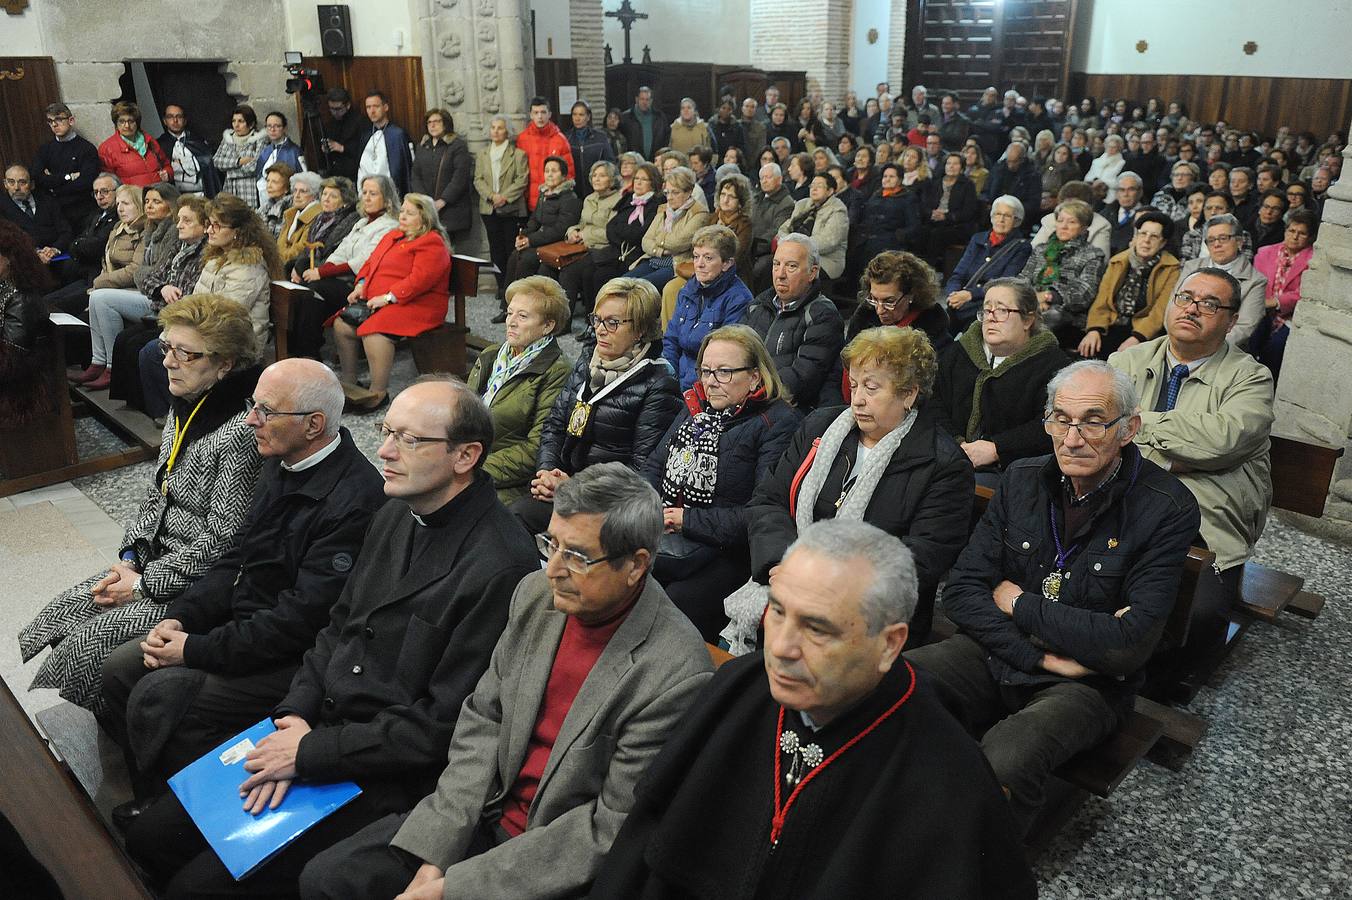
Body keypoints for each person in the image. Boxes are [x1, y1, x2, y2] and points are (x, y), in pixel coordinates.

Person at [123, 377, 540, 899]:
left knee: (193, 887)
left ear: (466, 455)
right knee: (148, 837)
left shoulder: (503, 565)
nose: (383, 450)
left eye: (408, 440)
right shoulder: (395, 512)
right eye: (387, 431)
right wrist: (296, 714)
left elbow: (442, 725)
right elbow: (336, 627)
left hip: (381, 768)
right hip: (316, 724)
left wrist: (310, 752)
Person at [300, 462, 713, 900]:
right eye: (551, 544)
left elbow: (606, 827)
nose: (553, 569)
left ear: (636, 565)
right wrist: (435, 855)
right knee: (328, 879)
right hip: (476, 813)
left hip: (547, 862)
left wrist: (453, 888)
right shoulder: (535, 595)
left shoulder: (674, 673)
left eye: (576, 556)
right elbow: (483, 719)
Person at [592, 519, 1036, 899]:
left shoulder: (949, 775)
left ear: (889, 644)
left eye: (817, 629)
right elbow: (643, 851)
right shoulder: (738, 688)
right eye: (778, 612)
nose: (781, 648)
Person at [906, 360, 1200, 832]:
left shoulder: (1165, 508)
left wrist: (1017, 602)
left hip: (1088, 684)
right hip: (1006, 652)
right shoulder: (1022, 479)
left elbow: (1127, 644)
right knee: (894, 686)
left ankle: (984, 873)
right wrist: (1039, 654)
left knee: (1005, 761)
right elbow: (960, 592)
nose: (1072, 438)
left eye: (1093, 422)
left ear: (1129, 429)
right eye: (1061, 419)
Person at [99, 359, 384, 810]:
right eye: (253, 404)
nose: (250, 419)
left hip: (295, 657)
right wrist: (182, 617)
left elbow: (300, 619)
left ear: (314, 425)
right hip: (249, 625)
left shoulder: (354, 500)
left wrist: (192, 649)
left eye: (265, 410)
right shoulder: (282, 460)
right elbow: (238, 558)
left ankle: (189, 814)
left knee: (161, 691)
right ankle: (152, 794)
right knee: (120, 667)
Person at [19, 294, 263, 711]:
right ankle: (97, 711)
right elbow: (157, 490)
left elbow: (225, 541)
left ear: (224, 363)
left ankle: (112, 726)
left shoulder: (241, 430)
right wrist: (130, 556)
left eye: (185, 353)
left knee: (89, 643)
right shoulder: (188, 402)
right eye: (167, 347)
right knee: (58, 614)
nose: (167, 361)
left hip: (193, 582)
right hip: (150, 558)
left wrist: (145, 584)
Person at [726, 322, 973, 652]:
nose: (857, 400)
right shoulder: (820, 425)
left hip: (871, 617)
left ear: (909, 393)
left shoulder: (943, 464)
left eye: (872, 389)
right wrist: (782, 562)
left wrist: (824, 580)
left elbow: (922, 557)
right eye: (854, 385)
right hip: (786, 580)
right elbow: (768, 500)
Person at [1107, 269, 1274, 693]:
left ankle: (1161, 683)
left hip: (1207, 515)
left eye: (1210, 304)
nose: (1193, 309)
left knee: (1193, 624)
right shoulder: (1125, 362)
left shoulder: (1250, 377)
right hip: (1120, 497)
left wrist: (1137, 427)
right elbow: (1095, 429)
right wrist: (1174, 452)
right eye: (1185, 297)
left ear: (1232, 320)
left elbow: (1224, 439)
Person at [643, 325, 799, 639]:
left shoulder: (777, 423)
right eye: (706, 370)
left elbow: (761, 513)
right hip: (670, 534)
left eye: (724, 372)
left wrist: (686, 519)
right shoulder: (696, 409)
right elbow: (654, 466)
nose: (711, 381)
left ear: (755, 376)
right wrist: (646, 507)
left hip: (731, 551)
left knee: (673, 604)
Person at [512, 277, 680, 535]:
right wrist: (547, 472)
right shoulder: (588, 362)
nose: (600, 330)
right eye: (597, 319)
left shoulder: (658, 383)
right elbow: (555, 425)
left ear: (640, 330)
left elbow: (642, 471)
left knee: (515, 517)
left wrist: (576, 489)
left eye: (613, 323)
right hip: (567, 484)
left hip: (608, 505)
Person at [932, 278, 1071, 483]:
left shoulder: (1054, 366)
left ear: (1028, 320)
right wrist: (957, 444)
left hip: (1013, 471)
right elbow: (934, 402)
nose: (991, 318)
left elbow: (1052, 425)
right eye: (987, 310)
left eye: (1002, 310)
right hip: (948, 453)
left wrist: (998, 448)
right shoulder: (959, 352)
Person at [334, 193, 451, 409]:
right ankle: (350, 382)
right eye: (402, 211)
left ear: (424, 218)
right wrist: (361, 284)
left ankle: (378, 392)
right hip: (383, 300)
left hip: (419, 304)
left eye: (409, 213)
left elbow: (420, 280)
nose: (402, 216)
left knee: (374, 331)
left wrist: (388, 297)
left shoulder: (432, 242)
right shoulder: (394, 235)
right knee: (342, 324)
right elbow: (371, 263)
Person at [466, 277, 572, 505]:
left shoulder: (557, 371)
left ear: (548, 326)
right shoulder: (492, 355)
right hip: (468, 457)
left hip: (507, 477)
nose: (511, 322)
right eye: (509, 313)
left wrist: (472, 470)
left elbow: (538, 447)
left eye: (522, 316)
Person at [105, 194, 211, 418]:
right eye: (179, 219)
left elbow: (190, 297)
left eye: (187, 221)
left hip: (180, 318)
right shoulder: (178, 246)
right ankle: (138, 405)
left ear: (204, 226)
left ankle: (165, 412)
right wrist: (162, 287)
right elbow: (148, 276)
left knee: (143, 347)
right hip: (161, 309)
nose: (179, 225)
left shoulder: (204, 253)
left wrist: (165, 294)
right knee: (124, 339)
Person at [821, 250, 952, 407]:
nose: (880, 310)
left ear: (912, 295)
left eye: (889, 301)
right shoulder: (863, 319)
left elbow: (930, 395)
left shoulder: (933, 333)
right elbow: (836, 372)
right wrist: (834, 411)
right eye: (874, 299)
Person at [743, 235, 844, 411]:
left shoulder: (822, 315)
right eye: (776, 264)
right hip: (748, 397)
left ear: (812, 272)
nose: (780, 275)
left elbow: (802, 378)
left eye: (791, 266)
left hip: (789, 409)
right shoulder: (758, 306)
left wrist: (752, 392)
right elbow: (736, 352)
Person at [66, 183, 145, 389]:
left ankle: (111, 366)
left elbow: (135, 270)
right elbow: (105, 262)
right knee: (94, 297)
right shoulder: (117, 229)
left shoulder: (145, 230)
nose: (120, 208)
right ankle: (97, 361)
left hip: (135, 288)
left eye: (126, 203)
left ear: (138, 205)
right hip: (113, 286)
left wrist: (100, 283)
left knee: (99, 296)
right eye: (118, 203)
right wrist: (102, 282)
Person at [662, 224, 754, 391]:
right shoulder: (688, 290)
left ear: (727, 263)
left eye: (708, 258)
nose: (699, 264)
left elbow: (724, 358)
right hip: (676, 380)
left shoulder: (739, 299)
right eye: (696, 257)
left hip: (708, 387)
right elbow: (671, 340)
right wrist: (667, 377)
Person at [1080, 210, 1180, 358]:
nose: (1146, 240)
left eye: (1154, 236)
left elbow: (1160, 311)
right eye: (1143, 234)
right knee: (1087, 356)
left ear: (1163, 242)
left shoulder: (1171, 268)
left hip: (1143, 332)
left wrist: (1137, 337)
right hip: (1111, 325)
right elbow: (1101, 301)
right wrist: (1094, 329)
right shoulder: (1118, 261)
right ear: (1136, 235)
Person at [191, 193, 281, 349]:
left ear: (237, 231)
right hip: (212, 332)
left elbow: (226, 313)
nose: (209, 231)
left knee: (152, 352)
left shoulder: (249, 266)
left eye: (217, 225)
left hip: (238, 344)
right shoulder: (215, 257)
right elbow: (196, 301)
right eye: (209, 224)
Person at [1019, 198, 1107, 348]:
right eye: (1060, 221)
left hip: (1068, 315)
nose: (1064, 226)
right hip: (1031, 305)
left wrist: (1050, 297)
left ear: (1084, 227)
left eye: (1072, 222)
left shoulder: (1093, 254)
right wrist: (1035, 300)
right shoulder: (1040, 249)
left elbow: (1085, 293)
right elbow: (1023, 279)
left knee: (1052, 316)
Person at [499, 155, 580, 316]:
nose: (549, 174)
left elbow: (560, 229)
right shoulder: (544, 194)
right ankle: (507, 307)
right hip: (540, 239)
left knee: (526, 259)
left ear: (564, 176)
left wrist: (531, 240)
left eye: (554, 171)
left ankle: (525, 307)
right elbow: (535, 219)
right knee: (515, 255)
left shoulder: (569, 198)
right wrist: (523, 236)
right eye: (547, 171)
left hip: (556, 243)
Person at [944, 194, 1033, 335]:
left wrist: (970, 295)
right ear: (991, 217)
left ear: (1016, 221)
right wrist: (952, 294)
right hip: (961, 300)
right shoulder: (978, 239)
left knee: (970, 323)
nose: (1001, 219)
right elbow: (958, 274)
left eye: (1007, 216)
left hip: (988, 302)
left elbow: (1004, 283)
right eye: (997, 214)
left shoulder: (1021, 247)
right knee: (939, 320)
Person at [1177, 214, 1268, 348]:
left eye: (1223, 238)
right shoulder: (1191, 267)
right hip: (1182, 341)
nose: (1217, 244)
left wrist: (1204, 347)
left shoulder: (1255, 281)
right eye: (1211, 240)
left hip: (1222, 349)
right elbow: (1174, 308)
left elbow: (1244, 328)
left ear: (1239, 241)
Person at [1250, 209, 1317, 380]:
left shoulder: (1315, 260)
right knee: (1250, 338)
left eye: (1301, 233)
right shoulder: (1265, 252)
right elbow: (1256, 283)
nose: (1295, 236)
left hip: (1292, 317)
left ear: (1310, 237)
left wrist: (1276, 302)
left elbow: (1306, 293)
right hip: (1262, 310)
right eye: (1291, 231)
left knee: (1275, 348)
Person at [0, 222, 56, 426]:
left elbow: (11, 361)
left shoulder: (23, 298)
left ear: (11, 260)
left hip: (19, 390)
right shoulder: (4, 286)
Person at [550, 160, 622, 316]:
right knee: (548, 266)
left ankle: (578, 319)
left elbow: (612, 233)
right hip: (582, 246)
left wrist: (585, 235)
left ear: (612, 179)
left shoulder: (619, 200)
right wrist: (573, 231)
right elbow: (582, 224)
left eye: (602, 176)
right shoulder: (590, 198)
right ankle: (552, 315)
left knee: (571, 271)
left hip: (603, 249)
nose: (596, 179)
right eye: (594, 175)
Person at [42, 172, 120, 315]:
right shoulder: (95, 215)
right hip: (83, 275)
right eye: (96, 192)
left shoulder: (119, 217)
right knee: (44, 302)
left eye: (105, 191)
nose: (99, 196)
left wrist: (79, 245)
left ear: (118, 192)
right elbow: (76, 242)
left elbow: (97, 247)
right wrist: (80, 245)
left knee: (53, 306)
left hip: (98, 279)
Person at [473, 116, 530, 301]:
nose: (496, 131)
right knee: (495, 249)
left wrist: (504, 197)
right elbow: (478, 179)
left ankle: (512, 286)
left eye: (500, 128)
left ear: (507, 131)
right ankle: (500, 286)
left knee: (510, 249)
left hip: (511, 208)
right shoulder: (482, 154)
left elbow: (522, 179)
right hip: (489, 208)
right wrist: (492, 196)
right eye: (493, 127)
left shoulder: (518, 154)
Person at [628, 166, 711, 293]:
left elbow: (679, 243)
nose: (670, 197)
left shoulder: (699, 213)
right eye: (667, 192)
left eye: (675, 192)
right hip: (653, 259)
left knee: (640, 289)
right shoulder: (664, 208)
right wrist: (661, 250)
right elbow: (646, 241)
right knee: (621, 282)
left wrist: (658, 239)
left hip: (676, 264)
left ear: (689, 192)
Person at [32, 102, 101, 231]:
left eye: (58, 119)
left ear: (71, 120)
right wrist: (68, 177)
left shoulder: (86, 148)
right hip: (56, 212)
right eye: (50, 121)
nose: (54, 124)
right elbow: (37, 177)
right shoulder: (45, 149)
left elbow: (86, 182)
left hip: (82, 209)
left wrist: (54, 186)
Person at [409, 107, 474, 244]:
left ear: (446, 123)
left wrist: (443, 201)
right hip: (428, 210)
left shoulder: (456, 146)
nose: (432, 125)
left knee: (449, 251)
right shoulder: (422, 146)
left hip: (451, 210)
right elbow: (415, 175)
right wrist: (426, 201)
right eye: (429, 122)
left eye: (437, 121)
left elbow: (459, 177)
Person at [596, 162, 665, 289]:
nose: (638, 182)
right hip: (617, 250)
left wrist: (622, 230)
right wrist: (623, 239)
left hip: (637, 255)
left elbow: (641, 234)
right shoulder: (629, 198)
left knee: (604, 277)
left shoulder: (657, 203)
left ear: (653, 182)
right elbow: (610, 227)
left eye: (644, 179)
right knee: (588, 272)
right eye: (637, 178)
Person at [920, 152, 981, 268]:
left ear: (962, 167)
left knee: (937, 234)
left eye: (955, 164)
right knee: (920, 231)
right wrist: (931, 213)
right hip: (933, 220)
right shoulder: (935, 183)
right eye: (948, 163)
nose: (951, 166)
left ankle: (930, 269)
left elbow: (969, 211)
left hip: (956, 225)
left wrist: (946, 216)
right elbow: (924, 205)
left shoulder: (968, 185)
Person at [0, 165, 71, 262]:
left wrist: (55, 249)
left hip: (57, 256)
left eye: (22, 182)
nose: (16, 187)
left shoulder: (48, 201)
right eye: (11, 182)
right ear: (5, 184)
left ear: (32, 184)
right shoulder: (2, 208)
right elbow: (6, 243)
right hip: (23, 261)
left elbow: (66, 231)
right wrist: (34, 253)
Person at [97, 101, 172, 189]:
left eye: (131, 121)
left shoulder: (150, 140)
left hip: (157, 194)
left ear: (137, 123)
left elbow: (167, 165)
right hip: (132, 199)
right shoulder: (107, 148)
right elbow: (108, 183)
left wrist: (168, 174)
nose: (127, 126)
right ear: (116, 124)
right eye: (122, 121)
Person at [517, 96, 572, 214]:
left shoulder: (560, 139)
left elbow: (569, 173)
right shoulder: (522, 139)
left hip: (554, 201)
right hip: (528, 202)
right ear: (530, 115)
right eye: (536, 113)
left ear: (549, 114)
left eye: (543, 112)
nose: (540, 117)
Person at [1031, 180, 1112, 258]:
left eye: (1076, 205)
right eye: (1066, 204)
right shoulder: (1050, 219)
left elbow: (1101, 260)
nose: (1070, 209)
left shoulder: (1101, 225)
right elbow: (1034, 250)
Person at [357, 90, 415, 196]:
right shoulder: (365, 135)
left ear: (385, 107)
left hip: (391, 193)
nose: (372, 111)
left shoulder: (398, 134)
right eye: (368, 107)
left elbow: (405, 169)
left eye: (376, 106)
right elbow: (361, 168)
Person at [859, 162, 922, 258]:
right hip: (869, 239)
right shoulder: (876, 195)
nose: (887, 179)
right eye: (885, 176)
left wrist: (897, 237)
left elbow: (914, 226)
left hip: (891, 244)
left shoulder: (908, 198)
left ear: (900, 180)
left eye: (892, 177)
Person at [750, 162, 794, 293]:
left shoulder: (786, 203)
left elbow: (777, 231)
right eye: (762, 177)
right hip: (750, 245)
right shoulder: (756, 198)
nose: (764, 181)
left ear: (779, 179)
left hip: (766, 250)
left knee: (757, 270)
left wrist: (753, 246)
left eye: (768, 177)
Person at [157, 104, 220, 197]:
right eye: (170, 117)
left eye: (179, 116)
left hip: (202, 196)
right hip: (175, 197)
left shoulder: (199, 141)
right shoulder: (159, 145)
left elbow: (210, 169)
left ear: (185, 120)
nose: (175, 120)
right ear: (164, 121)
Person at [213, 104, 267, 206]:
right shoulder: (228, 139)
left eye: (241, 121)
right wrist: (239, 161)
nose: (236, 125)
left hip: (249, 189)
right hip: (229, 189)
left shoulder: (259, 140)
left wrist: (229, 171)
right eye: (234, 121)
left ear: (250, 124)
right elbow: (216, 161)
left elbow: (253, 167)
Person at [565, 100, 616, 201]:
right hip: (573, 190)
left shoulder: (600, 138)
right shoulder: (566, 138)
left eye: (581, 114)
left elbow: (610, 163)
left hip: (597, 189)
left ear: (588, 117)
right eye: (574, 114)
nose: (577, 118)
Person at [255, 111, 307, 203]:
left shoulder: (294, 151)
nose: (272, 129)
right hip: (265, 200)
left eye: (277, 126)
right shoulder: (265, 151)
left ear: (284, 128)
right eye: (269, 126)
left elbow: (304, 178)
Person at [276, 171, 325, 267]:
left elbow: (301, 249)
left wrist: (277, 260)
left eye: (303, 191)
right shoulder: (290, 214)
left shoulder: (317, 216)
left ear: (314, 195)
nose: (297, 195)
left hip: (294, 267)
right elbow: (279, 244)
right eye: (295, 190)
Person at [319, 87, 366, 182]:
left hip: (354, 172)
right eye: (331, 109)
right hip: (334, 171)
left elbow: (364, 148)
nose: (335, 113)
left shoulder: (360, 122)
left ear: (347, 105)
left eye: (338, 109)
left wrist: (342, 148)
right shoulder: (330, 124)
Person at [1101, 171, 1147, 257]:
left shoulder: (1147, 216)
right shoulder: (1105, 213)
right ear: (1117, 193)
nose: (1126, 194)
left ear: (1140, 192)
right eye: (1122, 190)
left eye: (1131, 189)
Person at [619, 86, 671, 161]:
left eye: (647, 99)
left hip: (656, 161)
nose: (644, 102)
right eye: (642, 99)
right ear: (636, 99)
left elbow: (666, 137)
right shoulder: (626, 118)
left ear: (651, 101)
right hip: (633, 161)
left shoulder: (660, 117)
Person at [257, 162, 296, 237]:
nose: (269, 186)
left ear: (287, 188)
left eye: (274, 182)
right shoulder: (265, 207)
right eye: (268, 181)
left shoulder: (291, 210)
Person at [1085, 133, 1126, 202]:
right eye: (1109, 146)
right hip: (1092, 193)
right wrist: (1095, 180)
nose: (1110, 149)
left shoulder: (1121, 163)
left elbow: (1118, 183)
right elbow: (1087, 177)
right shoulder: (1097, 161)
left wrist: (1102, 182)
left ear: (1118, 148)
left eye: (1114, 147)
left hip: (1110, 196)